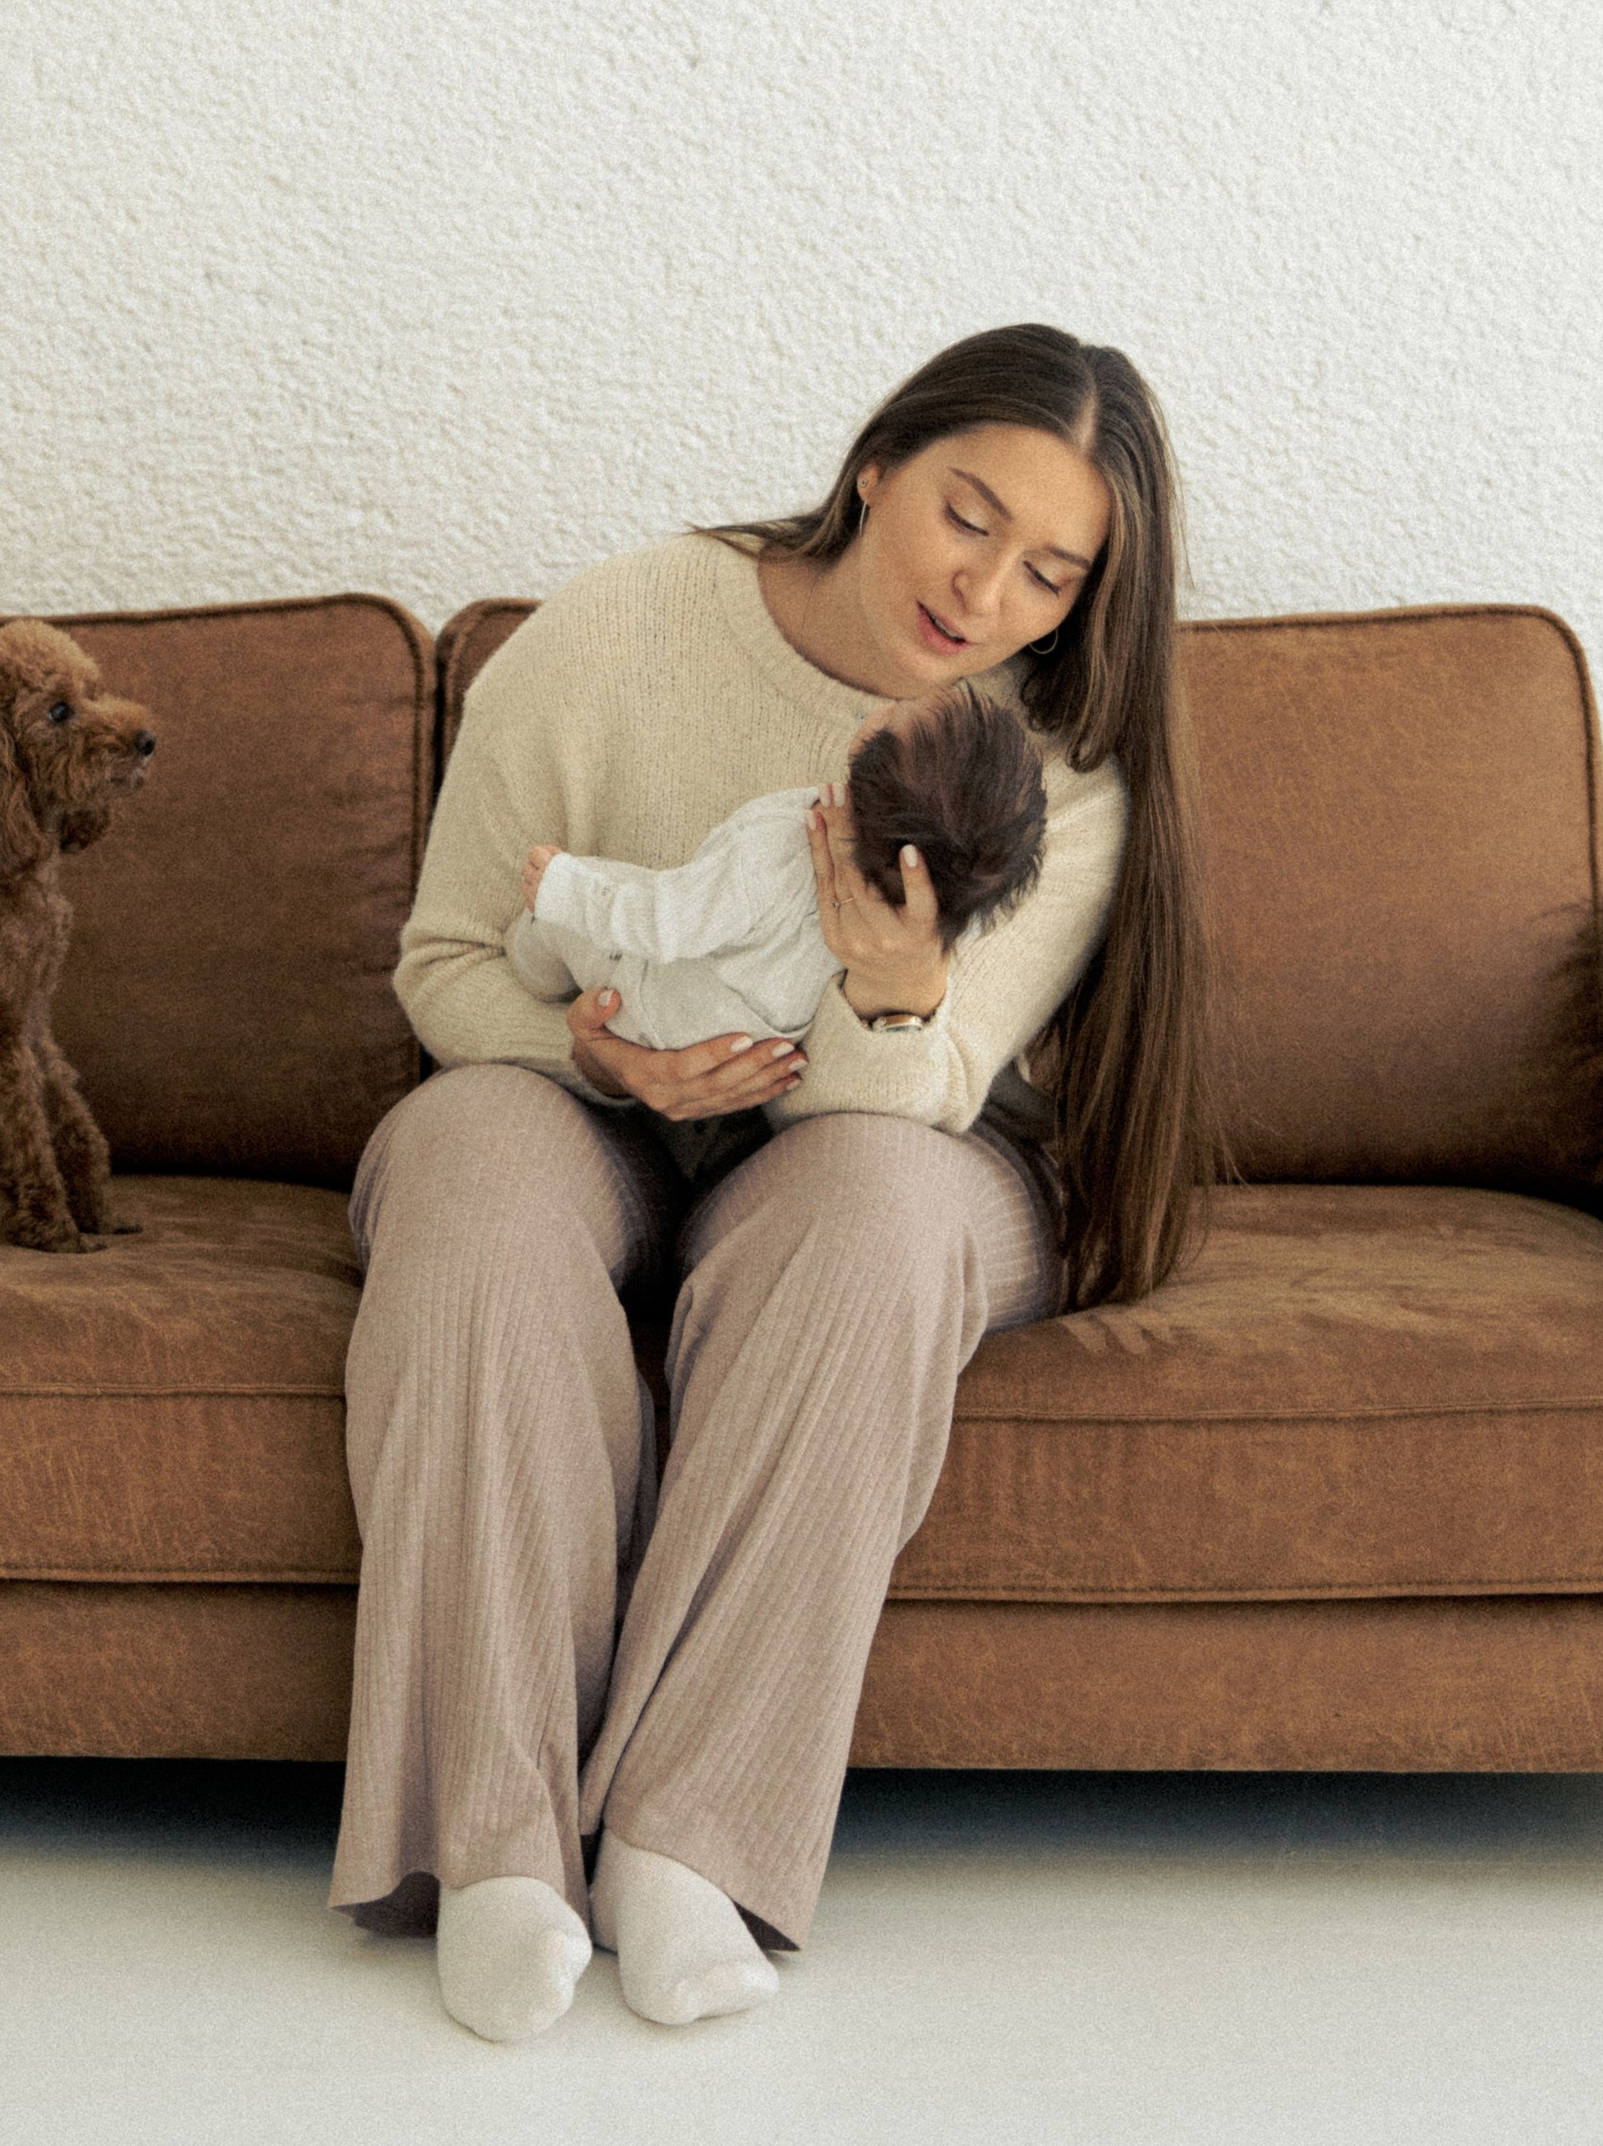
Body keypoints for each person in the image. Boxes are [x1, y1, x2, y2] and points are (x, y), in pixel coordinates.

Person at [329, 324, 1217, 2042]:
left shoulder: (1055, 764)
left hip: (897, 1143)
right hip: (583, 1100)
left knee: (870, 1213)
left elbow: (934, 1091)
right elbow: (445, 966)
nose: (991, 593)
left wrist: (892, 986)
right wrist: (600, 1056)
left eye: (1052, 570)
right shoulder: (623, 631)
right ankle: (497, 1848)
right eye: (969, 515)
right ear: (878, 462)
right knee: (467, 1181)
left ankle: (691, 1841)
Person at [505, 678, 1050, 1057]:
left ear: (868, 750)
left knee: (574, 903)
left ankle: (531, 966)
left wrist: (564, 888)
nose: (887, 704)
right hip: (769, 1040)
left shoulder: (778, 848)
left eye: (899, 711)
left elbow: (664, 923)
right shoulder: (947, 914)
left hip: (660, 1015)